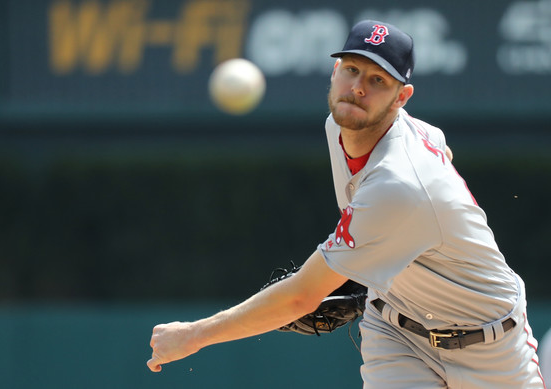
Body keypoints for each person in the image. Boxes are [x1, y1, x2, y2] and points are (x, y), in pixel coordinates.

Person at [147, 20, 545, 388]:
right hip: (395, 332)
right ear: (334, 72)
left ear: (401, 97)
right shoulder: (341, 123)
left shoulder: (399, 185)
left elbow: (301, 297)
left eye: (377, 80)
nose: (358, 87)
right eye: (351, 69)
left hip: (489, 343)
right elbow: (439, 143)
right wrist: (386, 256)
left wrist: (194, 335)